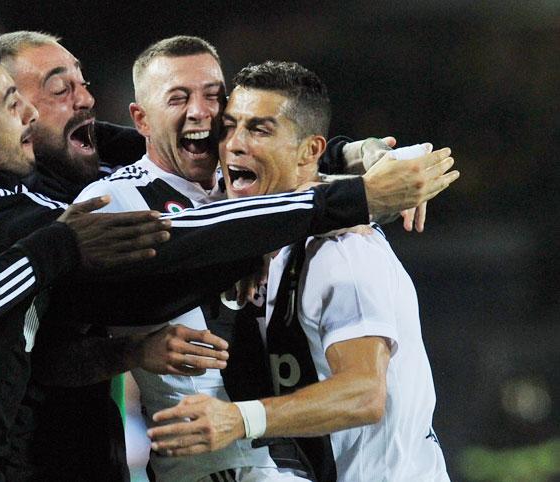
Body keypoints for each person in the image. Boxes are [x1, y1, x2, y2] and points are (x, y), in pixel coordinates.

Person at [77, 37, 457, 481]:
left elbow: (363, 394)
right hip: (206, 465)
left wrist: (368, 173)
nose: (204, 115)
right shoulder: (113, 201)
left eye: (213, 98)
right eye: (178, 97)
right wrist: (134, 350)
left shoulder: (337, 246)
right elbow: (59, 345)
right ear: (140, 117)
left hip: (291, 459)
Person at [0, 17, 234, 481]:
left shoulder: (27, 191)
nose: (85, 98)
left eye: (82, 82)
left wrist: (128, 353)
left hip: (69, 455)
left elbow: (139, 142)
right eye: (28, 100)